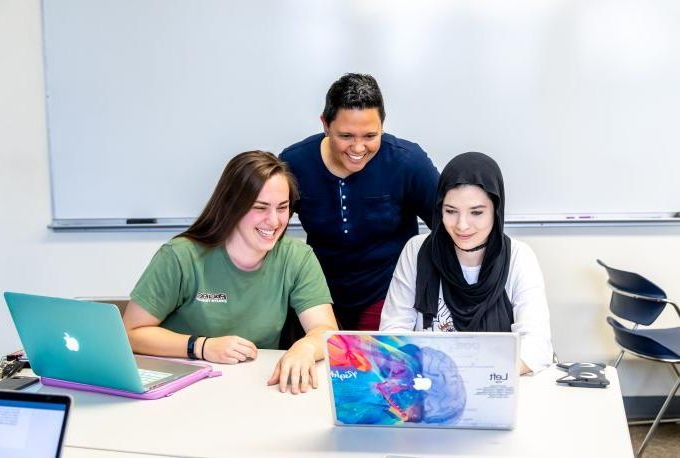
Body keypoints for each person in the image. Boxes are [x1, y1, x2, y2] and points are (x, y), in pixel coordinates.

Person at [123, 151, 338, 394]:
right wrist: (202, 347)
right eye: (260, 207)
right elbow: (131, 333)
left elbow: (326, 331)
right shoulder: (180, 256)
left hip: (254, 387)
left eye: (283, 208)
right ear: (231, 205)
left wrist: (306, 348)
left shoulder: (297, 257)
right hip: (181, 389)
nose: (274, 221)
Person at [280, 73, 439, 331]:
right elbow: (267, 227)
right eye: (346, 136)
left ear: (382, 126)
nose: (358, 148)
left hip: (388, 297)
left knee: (378, 366)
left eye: (369, 136)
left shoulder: (408, 162)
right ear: (325, 124)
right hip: (319, 298)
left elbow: (449, 226)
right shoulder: (295, 163)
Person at [379, 152, 553, 374]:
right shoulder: (417, 251)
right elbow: (393, 332)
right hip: (432, 387)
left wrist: (480, 376)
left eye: (476, 212)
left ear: (496, 211)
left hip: (497, 386)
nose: (462, 225)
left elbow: (536, 345)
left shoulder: (519, 257)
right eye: (450, 211)